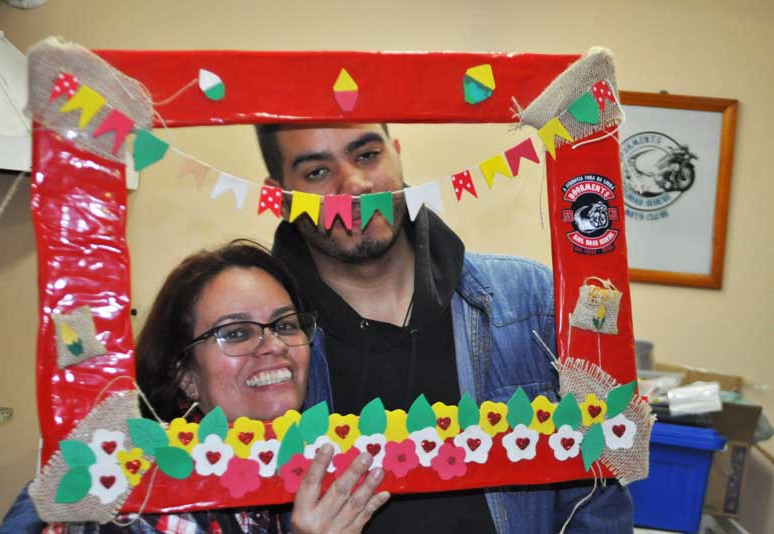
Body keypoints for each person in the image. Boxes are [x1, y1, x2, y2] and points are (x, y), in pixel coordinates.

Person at [256, 123, 635, 533]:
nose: (355, 185)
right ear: (279, 196)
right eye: (316, 172)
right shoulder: (260, 347)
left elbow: (598, 497)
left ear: (396, 153)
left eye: (367, 155)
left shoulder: (531, 300)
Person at [0, 240, 389, 534]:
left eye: (286, 325)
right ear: (185, 377)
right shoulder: (139, 501)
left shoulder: (282, 470)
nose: (274, 345)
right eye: (236, 333)